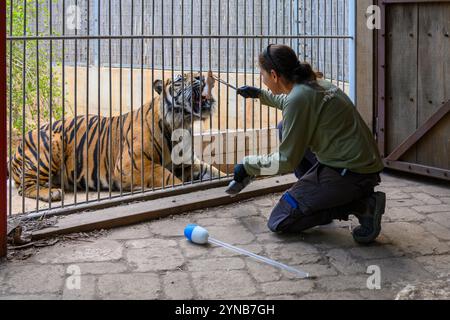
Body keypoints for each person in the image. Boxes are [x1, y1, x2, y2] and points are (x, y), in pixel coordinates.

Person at [232, 44, 385, 244]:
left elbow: (287, 160)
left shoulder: (299, 98)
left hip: (350, 173)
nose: (262, 79)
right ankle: (320, 194)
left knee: (280, 221)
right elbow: (292, 101)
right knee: (282, 127)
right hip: (361, 167)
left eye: (262, 75)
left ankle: (362, 205)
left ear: (274, 75)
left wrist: (247, 165)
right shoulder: (316, 83)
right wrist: (260, 95)